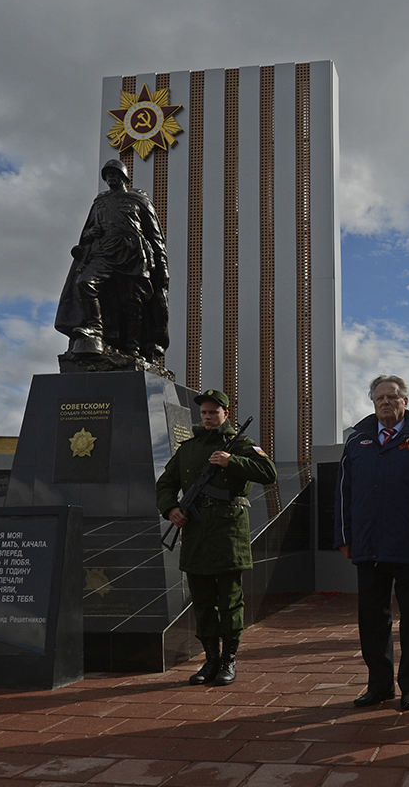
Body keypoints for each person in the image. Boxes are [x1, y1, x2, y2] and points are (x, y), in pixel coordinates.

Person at [335, 375, 409, 710]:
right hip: (368, 546)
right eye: (379, 398)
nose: (386, 402)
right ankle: (379, 684)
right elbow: (343, 494)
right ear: (372, 403)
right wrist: (344, 537)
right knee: (372, 618)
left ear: (406, 402)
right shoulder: (357, 442)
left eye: (393, 397)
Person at [157, 389, 277, 687]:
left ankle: (228, 660)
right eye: (204, 413)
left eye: (214, 412)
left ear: (226, 413)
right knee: (202, 600)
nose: (209, 417)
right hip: (196, 530)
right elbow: (166, 483)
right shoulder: (188, 448)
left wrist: (231, 461)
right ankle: (210, 660)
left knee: (230, 599)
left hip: (227, 531)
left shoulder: (240, 444)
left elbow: (268, 472)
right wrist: (171, 508)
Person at [56, 159, 170, 363]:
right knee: (84, 283)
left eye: (115, 174)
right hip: (104, 253)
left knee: (133, 304)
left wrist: (162, 265)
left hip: (133, 255)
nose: (111, 177)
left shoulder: (139, 200)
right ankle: (95, 328)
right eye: (107, 174)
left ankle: (133, 348)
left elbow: (155, 236)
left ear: (124, 177)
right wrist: (93, 232)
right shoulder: (99, 202)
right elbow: (86, 234)